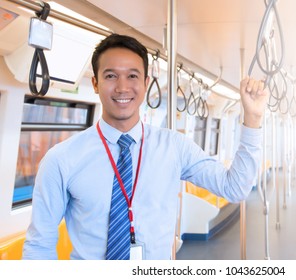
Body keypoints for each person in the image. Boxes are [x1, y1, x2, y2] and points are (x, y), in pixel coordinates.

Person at [22, 33, 268, 260]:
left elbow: (235, 188)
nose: (122, 87)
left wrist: (253, 119)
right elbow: (39, 245)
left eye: (132, 76)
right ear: (95, 83)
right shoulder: (61, 159)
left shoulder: (174, 147)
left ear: (146, 81)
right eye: (110, 76)